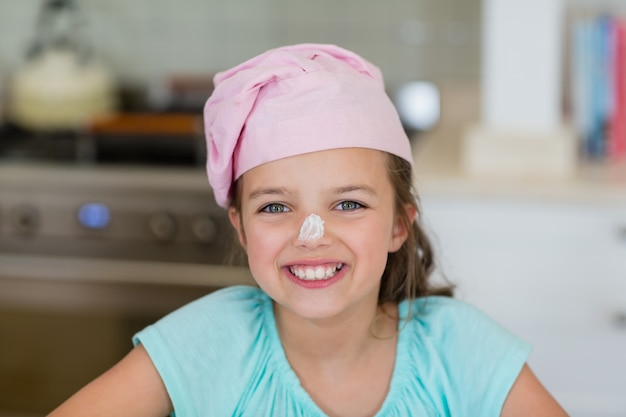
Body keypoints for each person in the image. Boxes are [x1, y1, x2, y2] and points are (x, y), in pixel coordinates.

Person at [48, 43, 568, 417]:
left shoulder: (459, 348)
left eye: (347, 203)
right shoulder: (205, 342)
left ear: (398, 225)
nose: (312, 234)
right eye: (275, 208)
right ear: (242, 229)